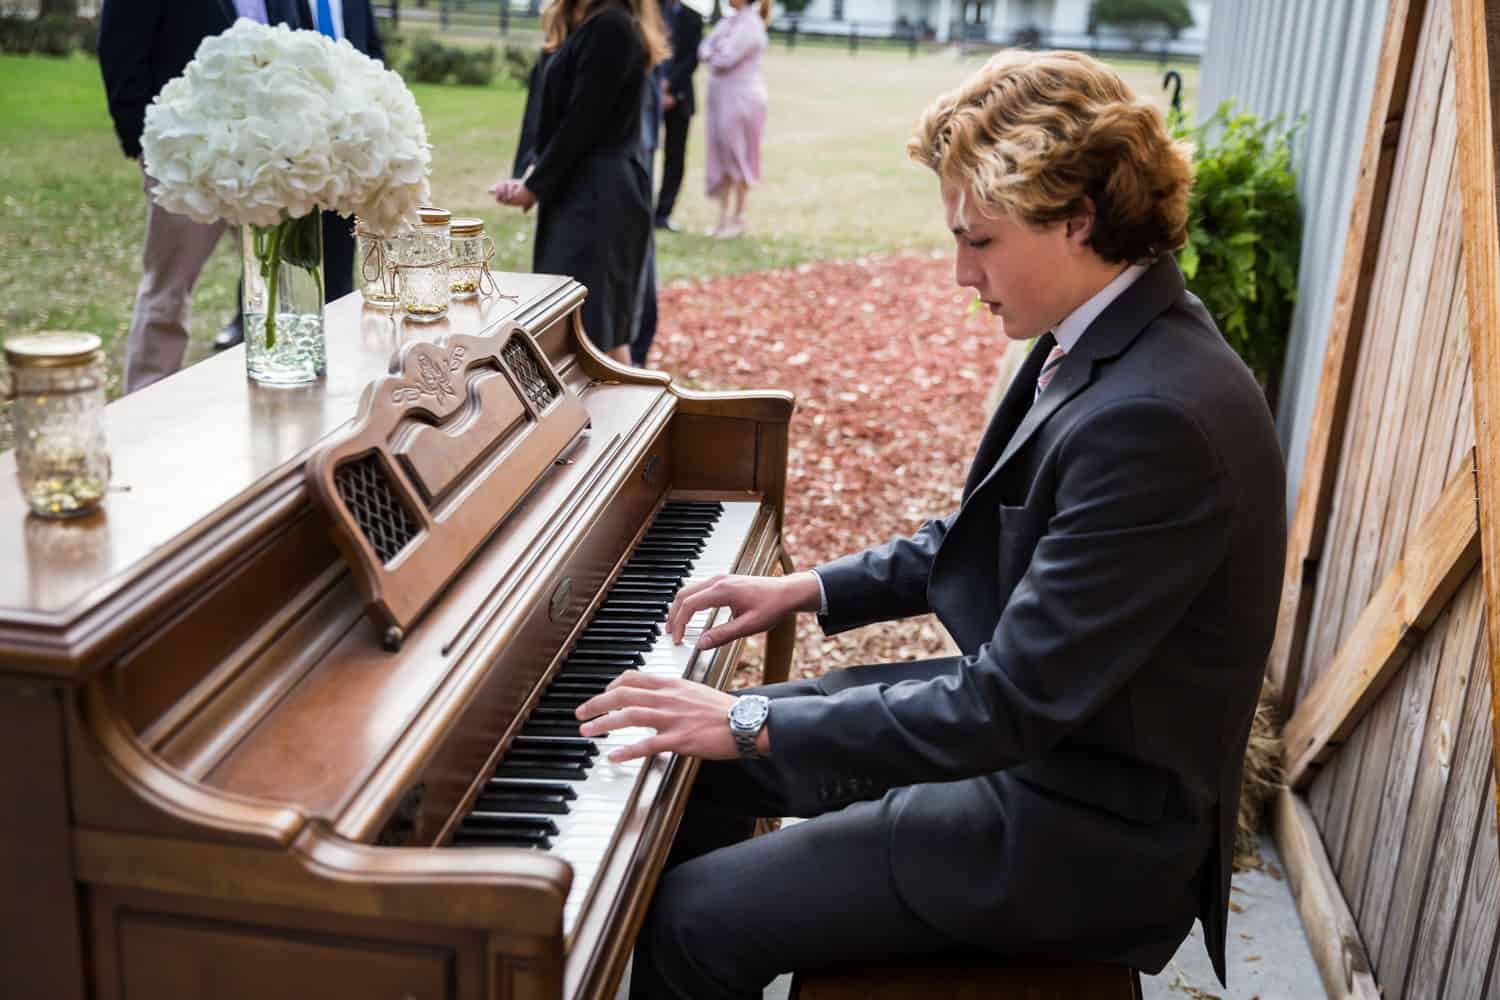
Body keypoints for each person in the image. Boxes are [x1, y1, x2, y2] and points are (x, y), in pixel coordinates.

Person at [577, 50, 1288, 999]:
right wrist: (811, 586)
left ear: (1077, 218)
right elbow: (988, 530)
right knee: (687, 764)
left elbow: (1004, 709)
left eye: (980, 240)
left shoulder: (1156, 418)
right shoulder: (1115, 341)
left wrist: (746, 715)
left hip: (1081, 830)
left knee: (690, 919)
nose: (961, 273)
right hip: (1041, 759)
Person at [99, 0, 301, 392]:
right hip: (189, 154)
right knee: (167, 291)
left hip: (267, 153)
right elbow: (120, 44)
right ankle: (147, 405)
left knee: (281, 284)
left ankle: (280, 398)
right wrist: (141, 141)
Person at [492, 0, 668, 364]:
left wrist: (534, 185)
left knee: (592, 335)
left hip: (600, 198)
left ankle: (623, 420)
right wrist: (531, 173)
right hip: (582, 190)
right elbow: (554, 119)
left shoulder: (611, 27)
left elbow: (581, 122)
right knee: (584, 332)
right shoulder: (586, 22)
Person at [214, 0, 385, 351]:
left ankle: (334, 318)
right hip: (298, 127)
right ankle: (250, 319)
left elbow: (372, 52)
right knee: (274, 232)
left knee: (339, 236)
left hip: (349, 131)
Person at [698, 0, 768, 239]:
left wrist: (713, 53)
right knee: (721, 155)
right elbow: (704, 48)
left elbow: (724, 59)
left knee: (738, 155)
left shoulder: (751, 25)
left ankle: (739, 216)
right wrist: (712, 53)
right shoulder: (728, 21)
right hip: (721, 97)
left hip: (741, 98)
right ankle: (723, 218)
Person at [653, 0, 703, 233]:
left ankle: (662, 213)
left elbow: (691, 59)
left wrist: (670, 87)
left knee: (675, 157)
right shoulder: (649, 9)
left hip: (679, 97)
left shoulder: (692, 17)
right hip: (647, 96)